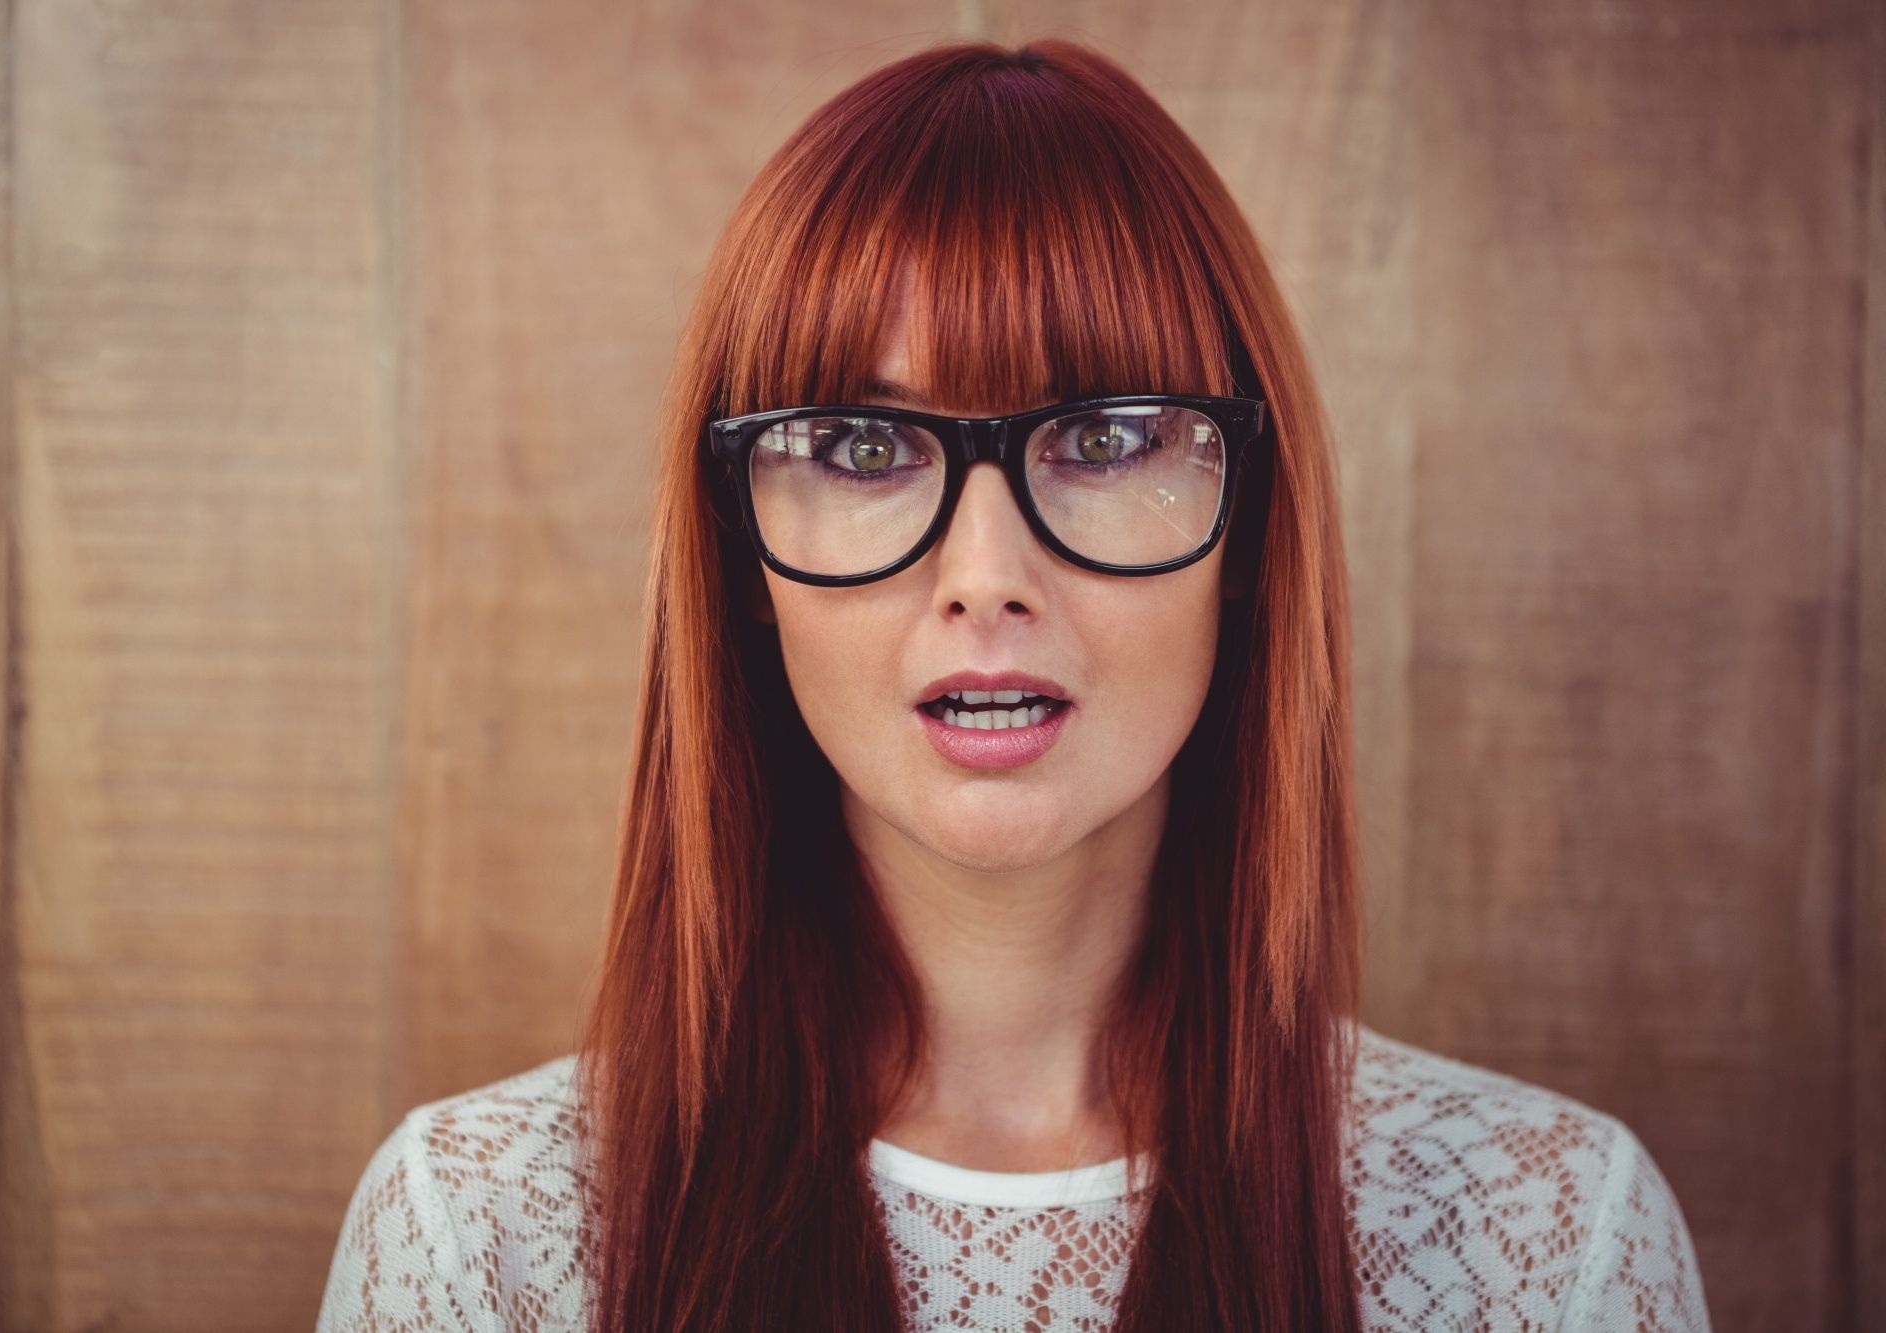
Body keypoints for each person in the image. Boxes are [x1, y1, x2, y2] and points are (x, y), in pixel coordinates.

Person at [316, 37, 1712, 1332]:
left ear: (1249, 529)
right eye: (865, 447)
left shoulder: (1550, 1238)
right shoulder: (476, 1236)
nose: (986, 575)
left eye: (1103, 436)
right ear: (741, 545)